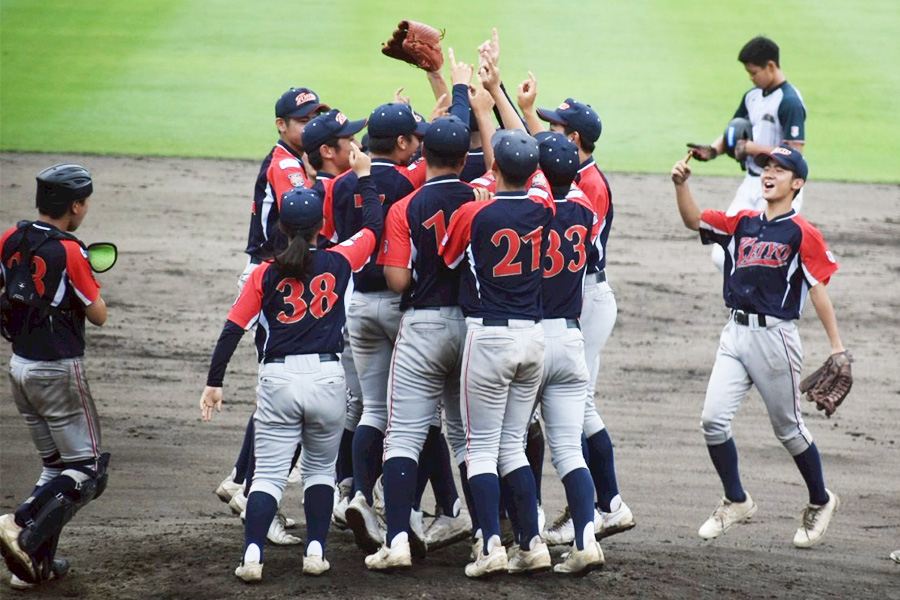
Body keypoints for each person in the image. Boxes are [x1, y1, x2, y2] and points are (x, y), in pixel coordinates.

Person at [199, 147, 381, 582]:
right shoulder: (340, 260)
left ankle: (252, 559)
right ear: (320, 226)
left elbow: (232, 329)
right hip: (327, 379)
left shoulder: (265, 273)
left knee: (267, 476)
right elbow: (373, 228)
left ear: (280, 226)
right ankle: (316, 552)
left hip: (278, 379)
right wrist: (365, 177)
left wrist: (214, 383)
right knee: (320, 470)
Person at [671, 145, 842, 547]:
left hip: (775, 338)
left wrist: (837, 346)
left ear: (796, 183)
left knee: (789, 428)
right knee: (712, 421)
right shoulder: (742, 222)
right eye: (767, 166)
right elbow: (694, 219)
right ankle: (736, 499)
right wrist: (681, 186)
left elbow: (817, 288)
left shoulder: (802, 232)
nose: (770, 173)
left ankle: (820, 499)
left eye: (780, 170)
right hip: (734, 333)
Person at [519, 76, 636, 546]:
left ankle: (607, 505)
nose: (545, 131)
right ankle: (599, 505)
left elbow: (535, 157)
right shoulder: (574, 169)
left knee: (576, 406)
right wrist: (520, 107)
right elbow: (540, 151)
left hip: (583, 298)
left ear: (572, 141)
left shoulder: (588, 185)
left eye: (554, 127)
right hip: (582, 295)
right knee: (573, 407)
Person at [215, 86, 329, 545]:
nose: (310, 126)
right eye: (303, 120)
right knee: (285, 384)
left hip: (281, 277)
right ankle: (247, 485)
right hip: (270, 281)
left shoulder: (292, 159)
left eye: (315, 117)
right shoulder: (285, 164)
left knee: (282, 386)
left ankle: (242, 479)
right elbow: (308, 210)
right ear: (282, 125)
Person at [363, 114, 478, 571]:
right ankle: (489, 538)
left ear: (423, 154)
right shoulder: (482, 199)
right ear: (464, 158)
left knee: (404, 437)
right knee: (472, 442)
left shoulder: (404, 207)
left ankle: (397, 542)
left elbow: (396, 280)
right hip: (473, 330)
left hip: (423, 329)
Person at [440, 129, 553, 578]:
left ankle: (489, 547)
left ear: (496, 169)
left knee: (481, 449)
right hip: (534, 339)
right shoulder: (543, 208)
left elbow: (448, 261)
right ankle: (532, 544)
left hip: (489, 339)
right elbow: (543, 181)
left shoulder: (473, 213)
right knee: (514, 448)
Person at [0, 164, 111, 590]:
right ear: (76, 205)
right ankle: (19, 523)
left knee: (56, 468)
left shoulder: (10, 237)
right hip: (59, 373)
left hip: (19, 369)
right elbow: (98, 314)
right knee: (88, 470)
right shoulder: (69, 250)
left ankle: (30, 566)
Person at [531, 132, 606, 575]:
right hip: (570, 339)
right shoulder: (583, 210)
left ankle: (528, 535)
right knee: (569, 451)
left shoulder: (526, 213)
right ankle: (585, 538)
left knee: (510, 446)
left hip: (529, 339)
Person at [686, 37, 807, 271]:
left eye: (754, 72)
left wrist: (754, 148)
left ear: (770, 66)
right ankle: (741, 303)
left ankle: (771, 301)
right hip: (752, 182)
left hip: (781, 186)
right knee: (722, 255)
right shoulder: (752, 96)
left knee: (761, 255)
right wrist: (712, 151)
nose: (751, 77)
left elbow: (795, 154)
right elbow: (734, 129)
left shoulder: (790, 101)